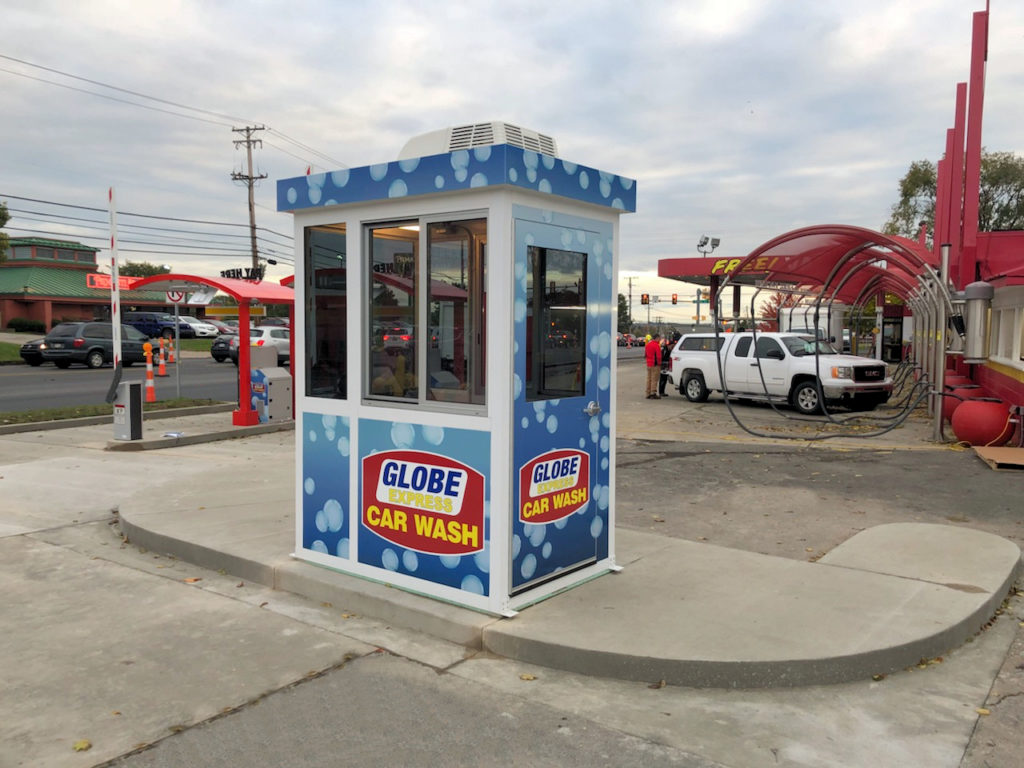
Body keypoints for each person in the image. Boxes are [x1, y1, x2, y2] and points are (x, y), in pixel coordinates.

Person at [644, 332, 661, 399]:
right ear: (656, 338)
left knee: (649, 379)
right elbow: (658, 356)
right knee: (654, 379)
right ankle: (653, 393)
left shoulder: (648, 345)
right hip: (655, 364)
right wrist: (659, 364)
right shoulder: (656, 345)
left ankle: (647, 393)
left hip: (649, 364)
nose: (660, 339)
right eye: (659, 338)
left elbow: (645, 354)